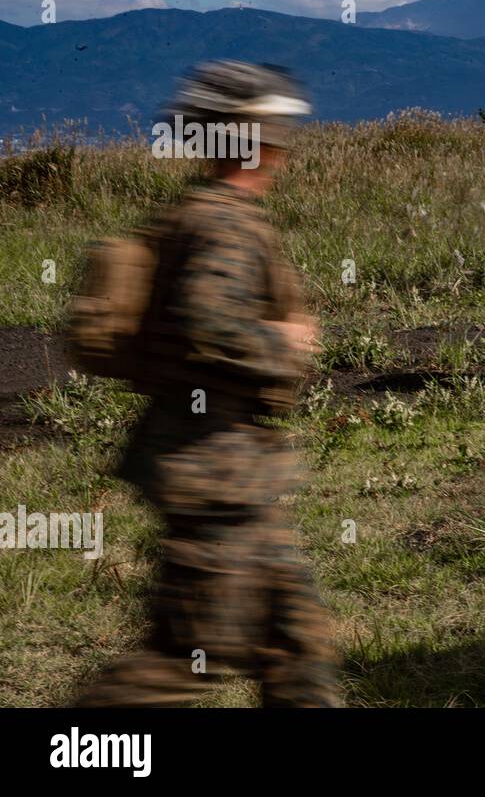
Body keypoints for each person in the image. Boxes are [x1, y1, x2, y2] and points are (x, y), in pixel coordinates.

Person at [77, 61, 339, 707]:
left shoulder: (199, 214)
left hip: (227, 472)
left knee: (295, 643)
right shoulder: (225, 223)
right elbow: (210, 320)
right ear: (253, 140)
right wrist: (281, 346)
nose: (283, 148)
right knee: (187, 659)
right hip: (214, 474)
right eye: (276, 132)